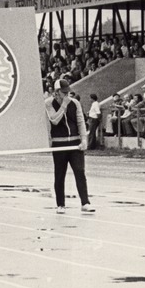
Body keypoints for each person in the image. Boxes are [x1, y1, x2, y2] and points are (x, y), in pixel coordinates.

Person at [45, 79, 95, 214]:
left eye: (68, 92)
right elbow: (54, 120)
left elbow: (80, 122)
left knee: (80, 172)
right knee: (60, 174)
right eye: (63, 92)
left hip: (74, 143)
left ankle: (85, 202)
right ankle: (60, 204)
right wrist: (63, 106)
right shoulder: (49, 103)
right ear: (56, 92)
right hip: (59, 143)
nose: (67, 95)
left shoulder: (75, 103)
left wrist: (84, 139)